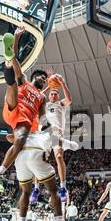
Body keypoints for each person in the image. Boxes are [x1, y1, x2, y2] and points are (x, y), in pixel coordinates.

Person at [0, 27, 47, 193]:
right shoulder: (26, 81)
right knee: (14, 81)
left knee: (20, 141)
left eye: (44, 80)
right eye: (41, 77)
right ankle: (7, 62)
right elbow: (18, 63)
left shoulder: (42, 97)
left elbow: (42, 118)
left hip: (23, 122)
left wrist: (45, 131)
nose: (43, 80)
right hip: (13, 109)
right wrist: (16, 37)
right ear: (35, 77)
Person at [13, 130, 78, 221]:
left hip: (21, 157)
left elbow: (10, 138)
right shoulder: (51, 134)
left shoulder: (29, 133)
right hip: (36, 156)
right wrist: (72, 144)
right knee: (53, 192)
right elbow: (72, 146)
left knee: (25, 192)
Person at [30, 75, 72, 203]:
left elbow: (69, 99)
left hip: (57, 134)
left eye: (55, 94)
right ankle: (36, 189)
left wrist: (62, 83)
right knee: (38, 160)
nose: (53, 95)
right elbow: (36, 97)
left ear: (58, 96)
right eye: (52, 94)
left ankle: (63, 188)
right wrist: (49, 86)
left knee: (59, 157)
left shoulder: (61, 104)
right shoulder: (44, 104)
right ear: (49, 95)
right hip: (43, 134)